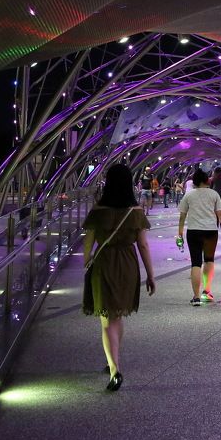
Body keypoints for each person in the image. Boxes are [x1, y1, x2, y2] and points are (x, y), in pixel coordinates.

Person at [82, 163, 156, 392]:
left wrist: (88, 265)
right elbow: (143, 245)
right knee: (117, 316)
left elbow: (88, 243)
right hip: (127, 264)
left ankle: (114, 368)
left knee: (107, 317)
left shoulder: (98, 210)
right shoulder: (136, 213)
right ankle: (113, 358)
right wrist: (150, 275)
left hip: (103, 264)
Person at [177, 169, 221, 305]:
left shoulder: (189, 195)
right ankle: (206, 292)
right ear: (207, 180)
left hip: (193, 231)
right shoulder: (214, 194)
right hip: (210, 231)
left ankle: (195, 298)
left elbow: (182, 216)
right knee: (209, 260)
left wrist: (180, 233)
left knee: (195, 263)